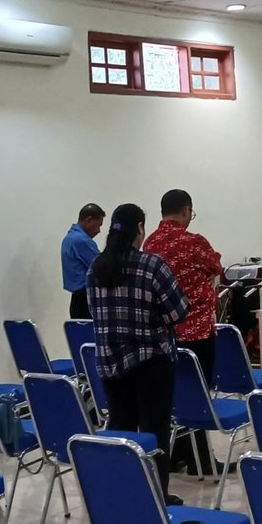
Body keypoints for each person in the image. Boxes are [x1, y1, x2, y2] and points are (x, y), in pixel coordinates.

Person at [87, 202, 190, 504]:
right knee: (154, 429)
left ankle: (125, 492)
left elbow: (94, 311)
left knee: (121, 427)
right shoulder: (152, 265)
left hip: (110, 360)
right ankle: (156, 495)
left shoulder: (96, 268)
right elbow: (179, 311)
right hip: (151, 362)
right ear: (140, 228)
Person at [143, 189, 224, 474]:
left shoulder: (150, 243)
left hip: (163, 333)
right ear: (186, 210)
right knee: (198, 394)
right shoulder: (193, 242)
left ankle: (178, 453)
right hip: (197, 330)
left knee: (173, 393)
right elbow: (216, 266)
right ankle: (201, 461)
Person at [62, 204, 107, 319]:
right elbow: (101, 266)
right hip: (85, 300)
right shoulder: (81, 240)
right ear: (89, 220)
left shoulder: (70, 237)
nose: (99, 231)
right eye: (98, 225)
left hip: (77, 299)